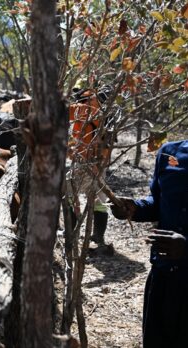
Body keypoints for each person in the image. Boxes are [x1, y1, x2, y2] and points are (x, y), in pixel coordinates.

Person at [110, 140, 188, 347]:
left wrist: (187, 247)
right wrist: (135, 208)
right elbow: (157, 200)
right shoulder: (169, 152)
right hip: (163, 276)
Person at [66, 86, 112, 246]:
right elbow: (108, 142)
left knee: (69, 195)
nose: (78, 100)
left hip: (84, 161)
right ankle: (98, 237)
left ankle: (70, 237)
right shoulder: (108, 113)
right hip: (100, 162)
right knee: (99, 200)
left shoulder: (85, 109)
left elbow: (61, 112)